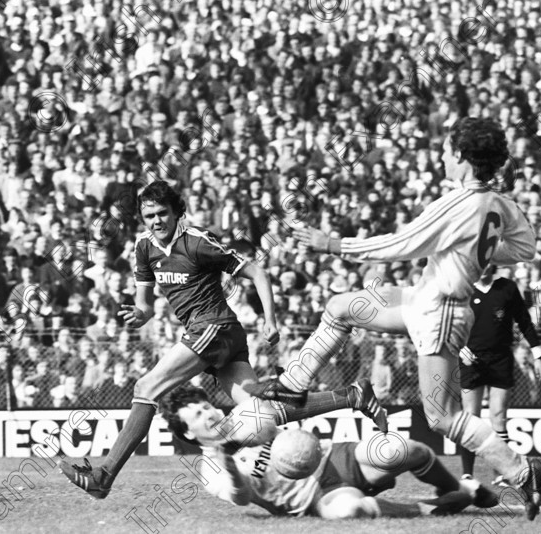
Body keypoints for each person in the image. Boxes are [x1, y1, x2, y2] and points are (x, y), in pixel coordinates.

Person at [252, 118, 541, 520]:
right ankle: (293, 385)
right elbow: (526, 247)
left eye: (448, 151)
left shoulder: (458, 203)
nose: (443, 157)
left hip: (442, 311)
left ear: (462, 157)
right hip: (424, 301)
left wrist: (334, 244)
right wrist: (478, 254)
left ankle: (522, 471)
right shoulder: (499, 203)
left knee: (442, 416)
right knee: (340, 307)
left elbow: (402, 243)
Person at [60, 181, 387, 499]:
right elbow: (145, 305)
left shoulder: (198, 242)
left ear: (176, 212)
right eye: (150, 216)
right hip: (212, 335)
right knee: (260, 412)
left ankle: (103, 476)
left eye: (162, 213)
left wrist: (270, 320)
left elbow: (257, 271)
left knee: (146, 388)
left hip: (213, 329)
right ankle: (352, 396)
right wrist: (140, 315)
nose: (157, 220)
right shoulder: (144, 248)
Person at [162, 385, 499, 519]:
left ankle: (450, 488)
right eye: (198, 414)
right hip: (314, 500)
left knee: (401, 448)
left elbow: (296, 405)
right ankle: (441, 504)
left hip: (335, 458)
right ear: (188, 432)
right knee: (350, 510)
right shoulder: (210, 470)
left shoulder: (247, 418)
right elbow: (242, 496)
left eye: (207, 405)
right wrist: (228, 463)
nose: (209, 413)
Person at [458, 265, 541, 481]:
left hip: (500, 358)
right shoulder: (463, 287)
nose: (486, 266)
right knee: (471, 417)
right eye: (482, 261)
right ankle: (467, 474)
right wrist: (460, 349)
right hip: (471, 359)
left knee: (499, 416)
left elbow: (524, 320)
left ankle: (502, 473)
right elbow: (449, 323)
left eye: (490, 261)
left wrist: (538, 353)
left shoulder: (507, 288)